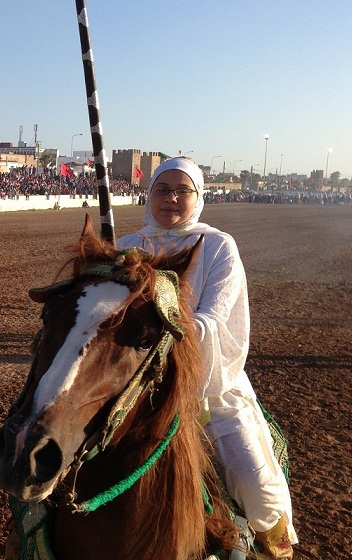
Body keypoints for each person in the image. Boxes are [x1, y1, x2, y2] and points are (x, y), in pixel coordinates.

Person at [115, 158, 296, 559]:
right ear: (149, 195)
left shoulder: (218, 245)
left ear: (198, 197)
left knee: (255, 483)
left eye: (183, 190)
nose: (172, 198)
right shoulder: (128, 248)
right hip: (130, 384)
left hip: (209, 386)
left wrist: (159, 331)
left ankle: (273, 549)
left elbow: (216, 319)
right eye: (162, 189)